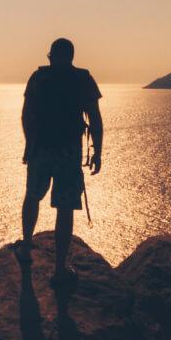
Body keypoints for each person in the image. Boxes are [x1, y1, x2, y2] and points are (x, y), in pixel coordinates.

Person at [16, 37, 103, 289]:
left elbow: (26, 114)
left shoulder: (38, 78)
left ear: (52, 56)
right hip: (69, 151)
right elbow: (95, 118)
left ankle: (25, 250)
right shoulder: (83, 79)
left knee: (33, 196)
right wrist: (98, 152)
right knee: (65, 207)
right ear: (72, 57)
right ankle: (60, 269)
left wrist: (29, 143)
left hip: (41, 148)